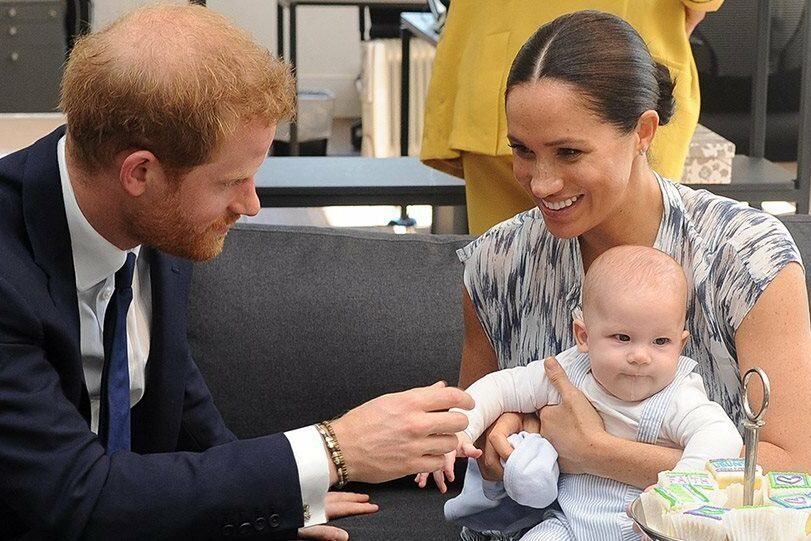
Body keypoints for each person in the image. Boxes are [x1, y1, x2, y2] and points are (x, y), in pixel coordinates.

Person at [0, 5, 474, 540]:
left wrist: (271, 500)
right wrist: (334, 449)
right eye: (232, 181)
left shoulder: (155, 224)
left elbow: (177, 398)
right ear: (140, 172)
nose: (250, 205)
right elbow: (73, 495)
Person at [454, 10, 811, 541]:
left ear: (643, 132)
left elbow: (805, 472)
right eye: (523, 150)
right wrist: (501, 443)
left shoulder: (745, 255)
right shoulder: (497, 263)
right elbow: (476, 434)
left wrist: (597, 452)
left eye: (569, 152)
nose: (540, 182)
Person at [418, 246, 743, 539]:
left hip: (644, 527)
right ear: (583, 336)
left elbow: (720, 435)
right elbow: (502, 387)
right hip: (568, 524)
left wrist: (682, 487)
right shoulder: (569, 371)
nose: (641, 356)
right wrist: (461, 427)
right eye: (622, 338)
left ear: (681, 344)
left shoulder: (678, 395)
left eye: (661, 342)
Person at [420, 0, 724, 234]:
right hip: (625, 71)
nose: (544, 184)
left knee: (510, 282)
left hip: (495, 63)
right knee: (633, 286)